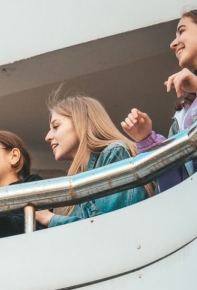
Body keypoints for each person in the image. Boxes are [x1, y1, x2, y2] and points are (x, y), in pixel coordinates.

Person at [121, 8, 197, 192]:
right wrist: (147, 139)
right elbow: (178, 186)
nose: (173, 44)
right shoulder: (181, 117)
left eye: (181, 31)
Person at [35, 95, 152, 228]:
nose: (47, 137)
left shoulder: (114, 153)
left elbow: (110, 228)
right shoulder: (74, 179)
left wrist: (50, 219)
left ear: (80, 123)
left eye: (56, 126)